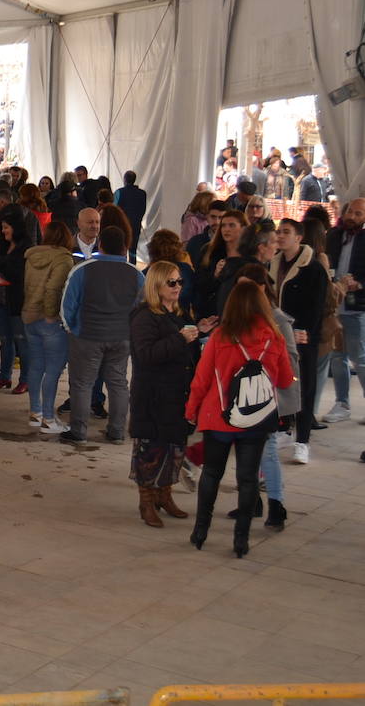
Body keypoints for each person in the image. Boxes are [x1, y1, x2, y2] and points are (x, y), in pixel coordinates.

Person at [186, 280, 294, 557]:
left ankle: (200, 531)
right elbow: (283, 380)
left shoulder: (221, 337)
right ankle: (241, 540)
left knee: (211, 472)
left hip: (219, 416)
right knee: (247, 480)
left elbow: (202, 379)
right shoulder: (274, 337)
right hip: (256, 420)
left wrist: (191, 410)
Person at [128, 261, 214, 528]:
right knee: (151, 450)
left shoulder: (178, 314)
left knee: (174, 448)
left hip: (176, 395)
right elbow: (145, 355)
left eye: (179, 282)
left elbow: (185, 349)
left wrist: (198, 330)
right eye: (172, 282)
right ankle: (146, 501)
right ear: (156, 285)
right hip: (153, 396)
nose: (178, 287)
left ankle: (164, 496)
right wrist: (181, 338)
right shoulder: (144, 316)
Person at [59, 226, 144, 444]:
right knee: (118, 383)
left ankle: (78, 432)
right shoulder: (136, 274)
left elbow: (67, 305)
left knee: (82, 384)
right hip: (122, 336)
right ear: (125, 247)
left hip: (87, 335)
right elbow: (141, 307)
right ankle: (116, 432)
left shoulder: (83, 270)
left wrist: (72, 330)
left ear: (100, 245)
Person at [231, 264, 297, 531]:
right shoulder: (239, 316)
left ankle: (276, 505)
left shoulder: (277, 319)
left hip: (269, 396)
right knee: (246, 451)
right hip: (243, 396)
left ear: (261, 288)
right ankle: (253, 502)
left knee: (267, 452)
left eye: (247, 287)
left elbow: (290, 360)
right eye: (239, 287)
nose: (241, 292)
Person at [268, 218, 329, 465]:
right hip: (275, 336)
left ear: (299, 237)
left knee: (304, 388)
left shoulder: (312, 269)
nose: (280, 236)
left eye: (286, 232)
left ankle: (302, 440)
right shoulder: (271, 264)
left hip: (302, 337)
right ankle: (284, 429)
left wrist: (305, 332)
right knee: (279, 385)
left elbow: (317, 307)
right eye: (278, 231)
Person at [22, 222, 76, 433]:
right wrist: (52, 315)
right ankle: (48, 419)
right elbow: (53, 289)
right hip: (49, 320)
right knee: (53, 370)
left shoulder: (32, 256)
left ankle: (35, 413)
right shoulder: (63, 259)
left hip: (29, 315)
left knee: (36, 366)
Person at [323, 199, 365, 432]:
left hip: (356, 307)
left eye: (358, 213)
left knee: (360, 358)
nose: (352, 216)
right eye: (350, 211)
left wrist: (359, 284)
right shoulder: (334, 235)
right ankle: (342, 403)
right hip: (333, 306)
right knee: (337, 358)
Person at [0, 208, 32, 395]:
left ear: (16, 228)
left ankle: (26, 380)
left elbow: (16, 272)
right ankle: (4, 377)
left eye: (6, 227)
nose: (4, 231)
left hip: (17, 300)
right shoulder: (4, 244)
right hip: (0, 298)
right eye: (2, 227)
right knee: (5, 340)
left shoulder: (26, 247)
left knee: (21, 342)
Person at [193, 209, 249, 319]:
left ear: (243, 228)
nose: (226, 229)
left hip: (240, 312)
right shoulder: (209, 251)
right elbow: (199, 284)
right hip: (212, 313)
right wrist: (215, 275)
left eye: (232, 225)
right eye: (223, 226)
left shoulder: (250, 254)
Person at [115, 171, 147, 263]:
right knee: (133, 250)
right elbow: (143, 209)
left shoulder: (119, 192)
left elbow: (114, 208)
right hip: (136, 225)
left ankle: (123, 269)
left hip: (122, 225)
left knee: (122, 248)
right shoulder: (142, 193)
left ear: (124, 179)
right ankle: (132, 269)